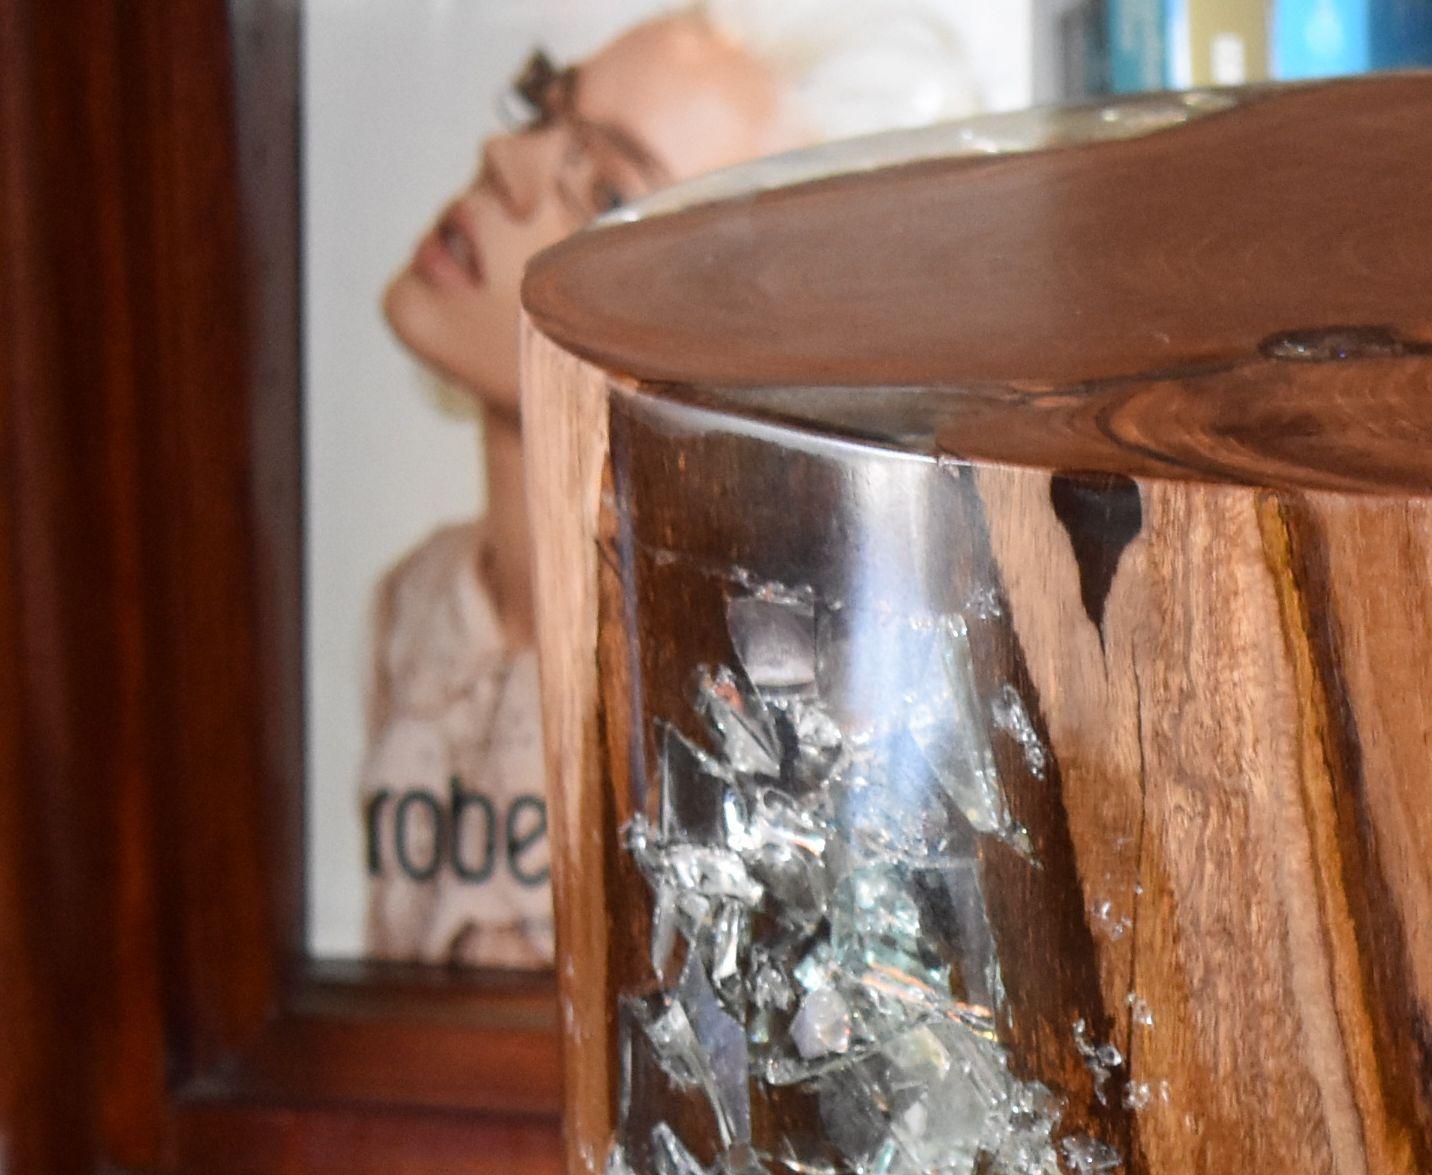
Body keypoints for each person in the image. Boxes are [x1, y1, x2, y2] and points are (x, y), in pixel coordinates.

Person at [364, 3, 978, 966]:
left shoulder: (755, 711)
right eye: (541, 106)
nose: (504, 158)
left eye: (605, 188)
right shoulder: (413, 607)